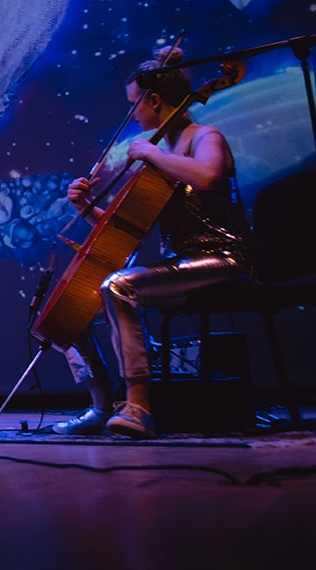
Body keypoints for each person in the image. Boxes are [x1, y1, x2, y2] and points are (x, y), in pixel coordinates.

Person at [60, 45, 255, 438]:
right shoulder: (161, 154)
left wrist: (150, 152)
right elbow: (131, 228)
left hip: (223, 257)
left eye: (135, 104)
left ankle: (139, 406)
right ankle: (102, 404)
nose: (133, 114)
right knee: (72, 308)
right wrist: (85, 207)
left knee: (118, 286)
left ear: (153, 99)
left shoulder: (204, 136)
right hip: (181, 264)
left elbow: (206, 176)